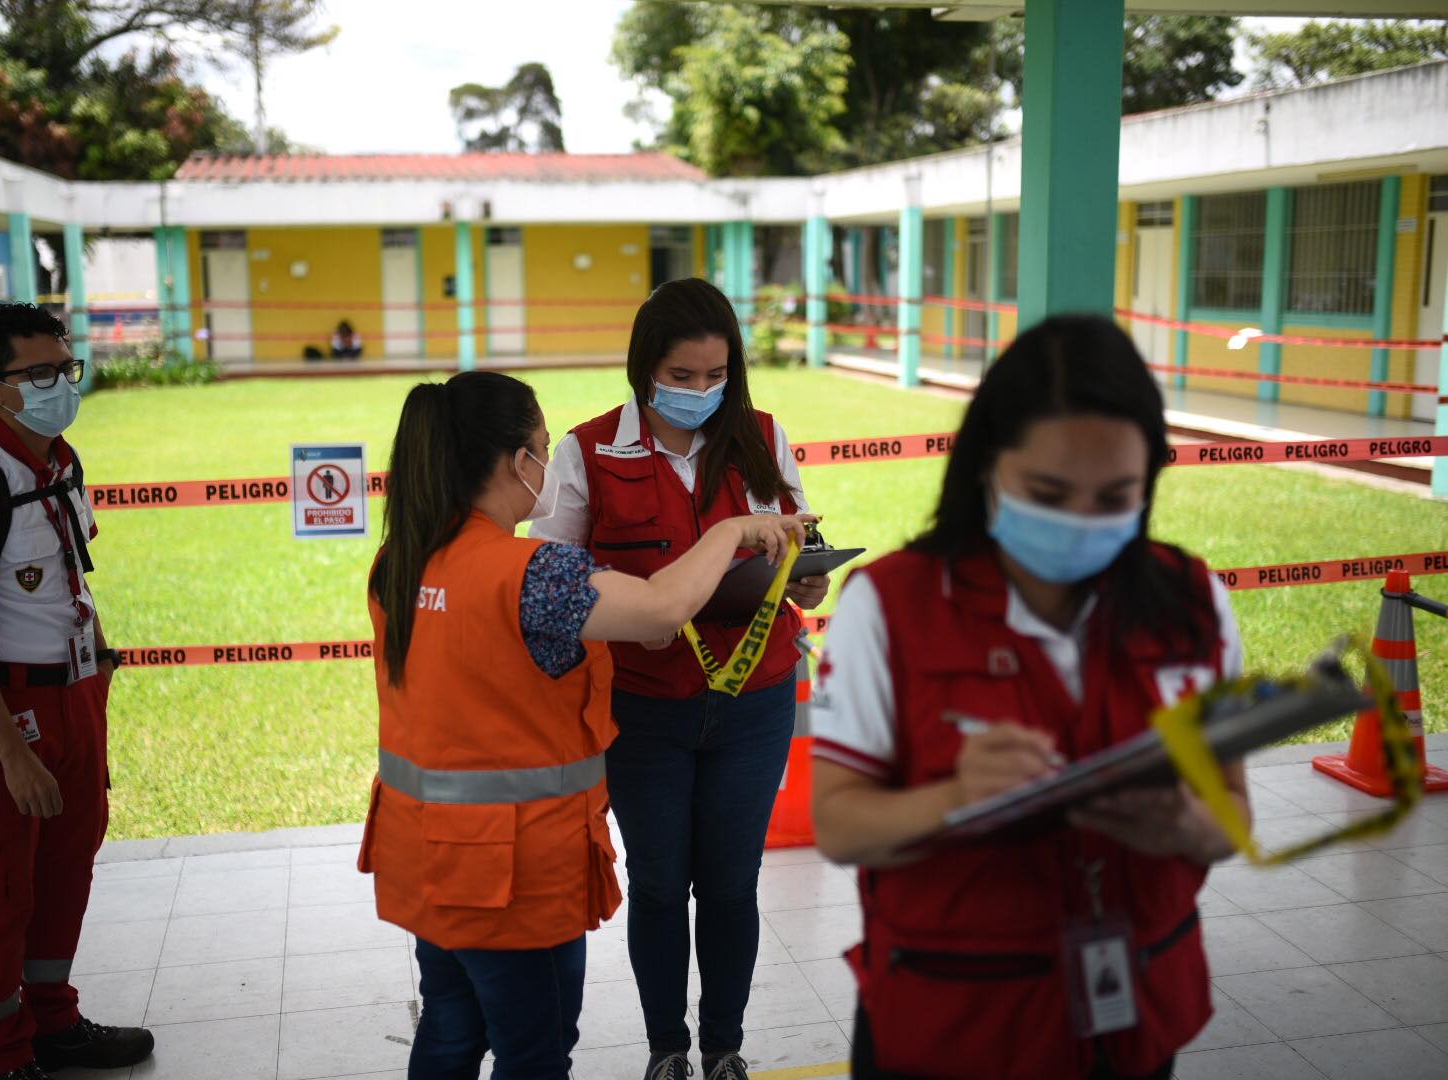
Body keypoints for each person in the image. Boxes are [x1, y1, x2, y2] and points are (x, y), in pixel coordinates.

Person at [809, 314, 1250, 1079]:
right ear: (987, 467)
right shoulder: (891, 604)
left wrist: (1187, 823)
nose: (1083, 521)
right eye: (1048, 492)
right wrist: (954, 799)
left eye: (1117, 495)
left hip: (1135, 1015)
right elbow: (840, 826)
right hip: (955, 1025)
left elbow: (1233, 818)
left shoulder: (1192, 602)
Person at [359, 369, 811, 1080]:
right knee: (532, 1051)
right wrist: (730, 531)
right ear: (517, 463)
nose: (547, 460)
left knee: (449, 1028)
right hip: (512, 874)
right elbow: (662, 608)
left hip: (423, 854)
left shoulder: (399, 560)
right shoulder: (536, 573)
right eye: (541, 446)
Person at [529, 277, 828, 1080]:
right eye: (682, 376)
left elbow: (799, 545)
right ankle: (667, 1048)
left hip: (755, 699)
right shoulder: (587, 450)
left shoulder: (762, 437)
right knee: (660, 884)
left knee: (731, 886)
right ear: (644, 369)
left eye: (715, 375)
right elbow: (549, 580)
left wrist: (807, 579)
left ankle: (724, 1046)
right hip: (643, 705)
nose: (700, 392)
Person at [0, 303, 152, 1080]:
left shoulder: (58, 459)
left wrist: (99, 676)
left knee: (67, 865)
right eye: (39, 373)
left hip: (77, 695)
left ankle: (53, 1024)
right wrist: (10, 752)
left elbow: (64, 579)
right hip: (4, 709)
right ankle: (2, 1055)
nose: (60, 384)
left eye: (66, 367)